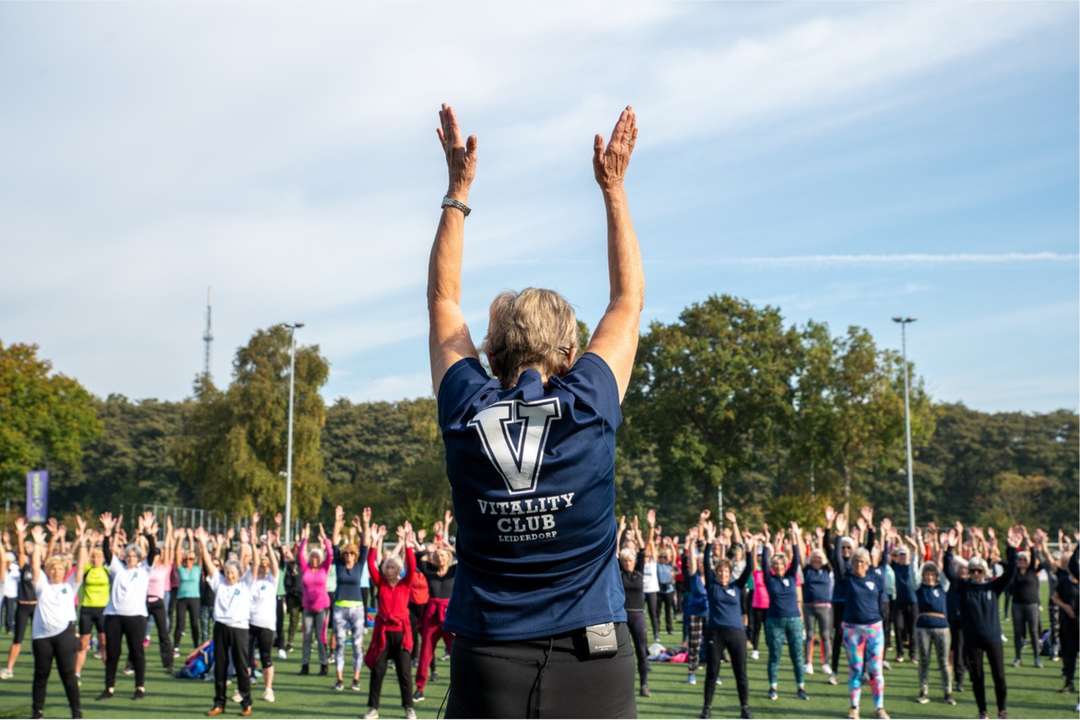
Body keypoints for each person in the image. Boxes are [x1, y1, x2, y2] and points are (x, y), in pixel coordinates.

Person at [430, 103, 643, 719]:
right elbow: (627, 301)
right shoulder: (590, 404)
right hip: (594, 660)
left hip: (489, 655)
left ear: (493, 352)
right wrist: (614, 188)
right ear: (572, 353)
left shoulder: (468, 405)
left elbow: (443, 300)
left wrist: (457, 192)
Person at [944, 524, 1018, 720]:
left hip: (993, 639)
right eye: (973, 570)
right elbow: (948, 571)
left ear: (984, 571)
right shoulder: (963, 586)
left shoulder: (993, 586)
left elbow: (1011, 573)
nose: (976, 573)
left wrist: (1011, 549)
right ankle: (982, 711)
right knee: (977, 678)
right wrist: (949, 550)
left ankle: (1002, 710)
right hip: (972, 640)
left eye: (979, 570)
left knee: (999, 677)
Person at [832, 515, 889, 720]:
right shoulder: (846, 579)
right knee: (856, 669)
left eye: (862, 561)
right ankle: (854, 707)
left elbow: (882, 557)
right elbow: (838, 559)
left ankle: (879, 708)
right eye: (855, 561)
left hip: (874, 628)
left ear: (868, 563)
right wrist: (838, 535)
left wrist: (878, 533)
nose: (858, 564)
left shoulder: (876, 576)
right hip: (852, 629)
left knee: (875, 670)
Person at [29, 521, 87, 719]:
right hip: (41, 636)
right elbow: (36, 567)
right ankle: (37, 711)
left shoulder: (70, 586)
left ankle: (76, 712)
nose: (56, 572)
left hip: (65, 635)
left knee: (68, 675)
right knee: (41, 674)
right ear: (49, 570)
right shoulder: (42, 585)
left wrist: (84, 543)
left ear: (64, 571)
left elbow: (80, 568)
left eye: (60, 569)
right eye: (53, 569)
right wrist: (37, 544)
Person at [196, 526, 253, 717]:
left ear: (238, 573)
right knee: (220, 667)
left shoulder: (245, 584)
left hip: (239, 629)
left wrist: (251, 542)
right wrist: (203, 544)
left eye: (233, 572)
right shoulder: (218, 582)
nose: (230, 575)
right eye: (227, 572)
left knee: (241, 667)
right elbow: (208, 565)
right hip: (220, 628)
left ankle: (246, 702)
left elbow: (251, 563)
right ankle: (219, 703)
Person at [363, 522, 417, 720]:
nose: (391, 569)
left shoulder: (405, 584)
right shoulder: (381, 584)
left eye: (394, 566)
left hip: (402, 635)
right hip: (383, 634)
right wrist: (375, 542)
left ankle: (409, 708)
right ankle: (373, 709)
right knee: (377, 672)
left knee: (404, 674)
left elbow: (412, 567)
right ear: (384, 569)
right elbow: (370, 564)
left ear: (399, 569)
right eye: (388, 566)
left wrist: (408, 544)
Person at [700, 520, 752, 720]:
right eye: (720, 571)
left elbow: (748, 569)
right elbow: (706, 564)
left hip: (737, 633)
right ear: (717, 573)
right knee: (712, 672)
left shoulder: (737, 586)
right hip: (716, 633)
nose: (723, 574)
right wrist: (709, 542)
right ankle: (706, 708)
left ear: (730, 574)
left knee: (741, 673)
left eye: (726, 572)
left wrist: (748, 549)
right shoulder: (712, 586)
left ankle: (745, 708)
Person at [98, 512, 150, 701]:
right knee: (113, 653)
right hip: (114, 616)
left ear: (139, 558)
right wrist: (107, 532)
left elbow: (151, 554)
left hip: (136, 616)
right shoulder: (117, 569)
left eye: (134, 555)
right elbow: (106, 551)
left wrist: (148, 533)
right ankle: (109, 688)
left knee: (136, 652)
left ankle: (140, 687)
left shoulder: (144, 570)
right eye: (128, 555)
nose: (130, 558)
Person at [760, 522, 809, 702]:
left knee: (797, 655)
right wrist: (767, 543)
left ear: (785, 565)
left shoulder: (791, 575)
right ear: (773, 566)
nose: (779, 566)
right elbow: (764, 563)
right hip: (774, 621)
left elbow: (796, 557)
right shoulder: (769, 578)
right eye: (776, 564)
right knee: (775, 655)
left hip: (794, 620)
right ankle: (773, 687)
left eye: (781, 563)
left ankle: (801, 687)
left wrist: (796, 535)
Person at [414, 512, 456, 702]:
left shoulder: (455, 572)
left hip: (450, 616)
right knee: (425, 653)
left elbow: (464, 557)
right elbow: (417, 560)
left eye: (443, 555)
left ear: (448, 557)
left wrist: (448, 546)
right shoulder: (430, 572)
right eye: (437, 556)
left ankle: (460, 686)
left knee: (456, 652)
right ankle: (420, 688)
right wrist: (427, 549)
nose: (440, 558)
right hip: (431, 615)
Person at [330, 507, 369, 693]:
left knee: (357, 644)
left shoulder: (360, 565)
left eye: (352, 553)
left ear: (356, 556)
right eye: (346, 553)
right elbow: (334, 543)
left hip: (357, 609)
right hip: (339, 608)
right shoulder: (338, 564)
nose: (349, 556)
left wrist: (364, 524)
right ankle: (339, 679)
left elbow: (365, 544)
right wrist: (337, 522)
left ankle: (355, 678)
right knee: (339, 643)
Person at [246, 516, 280, 704]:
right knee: (246, 658)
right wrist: (253, 538)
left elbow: (274, 564)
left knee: (266, 658)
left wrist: (268, 547)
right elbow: (255, 560)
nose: (264, 566)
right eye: (261, 564)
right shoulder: (251, 580)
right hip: (249, 623)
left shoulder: (271, 581)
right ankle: (243, 689)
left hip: (266, 624)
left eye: (266, 564)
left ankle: (268, 689)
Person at [617, 516, 650, 698]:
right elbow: (614, 553)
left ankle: (644, 684)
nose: (627, 563)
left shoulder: (639, 571)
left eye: (629, 560)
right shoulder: (619, 572)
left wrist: (637, 531)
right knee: (621, 652)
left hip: (637, 615)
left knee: (641, 650)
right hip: (622, 615)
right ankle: (622, 686)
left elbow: (643, 550)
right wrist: (620, 531)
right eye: (624, 561)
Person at [914, 561, 955, 706]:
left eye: (932, 574)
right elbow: (914, 572)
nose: (929, 577)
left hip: (942, 628)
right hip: (923, 628)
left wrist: (940, 557)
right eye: (927, 574)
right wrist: (917, 551)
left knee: (943, 662)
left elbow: (944, 575)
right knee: (924, 661)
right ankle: (923, 691)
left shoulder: (942, 587)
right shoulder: (919, 588)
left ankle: (948, 692)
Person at [2, 518, 37, 680]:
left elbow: (49, 551)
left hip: (37, 607)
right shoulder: (23, 566)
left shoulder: (40, 567)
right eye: (27, 546)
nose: (29, 548)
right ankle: (9, 668)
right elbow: (21, 553)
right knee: (18, 639)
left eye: (32, 546)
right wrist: (21, 535)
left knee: (42, 638)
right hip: (23, 607)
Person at [297, 524, 333, 676]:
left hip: (322, 608)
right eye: (312, 556)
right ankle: (305, 665)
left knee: (320, 636)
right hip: (307, 608)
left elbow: (330, 554)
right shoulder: (305, 568)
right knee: (306, 637)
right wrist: (305, 538)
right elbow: (300, 555)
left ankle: (324, 664)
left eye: (317, 556)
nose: (314, 559)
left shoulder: (324, 568)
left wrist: (325, 538)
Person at [74, 530, 110, 682]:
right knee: (83, 644)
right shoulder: (87, 569)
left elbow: (111, 552)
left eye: (99, 556)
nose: (96, 559)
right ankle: (76, 674)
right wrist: (85, 541)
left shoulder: (107, 570)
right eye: (94, 556)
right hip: (87, 610)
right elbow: (82, 558)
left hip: (103, 610)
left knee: (104, 644)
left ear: (103, 558)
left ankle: (109, 674)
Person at [145, 514, 176, 674]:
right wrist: (150, 532)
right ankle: (131, 663)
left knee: (163, 634)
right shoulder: (146, 567)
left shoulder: (165, 567)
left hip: (158, 603)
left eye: (158, 553)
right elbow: (148, 547)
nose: (156, 555)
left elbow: (170, 547)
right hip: (143, 602)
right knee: (137, 634)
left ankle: (168, 663)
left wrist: (170, 530)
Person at [802, 544, 835, 684]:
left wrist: (821, 542)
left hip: (825, 607)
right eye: (814, 557)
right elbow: (800, 556)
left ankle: (825, 663)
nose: (817, 560)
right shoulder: (807, 570)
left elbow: (829, 557)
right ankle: (808, 663)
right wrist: (797, 536)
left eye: (819, 558)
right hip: (809, 606)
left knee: (825, 635)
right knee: (809, 635)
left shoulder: (827, 569)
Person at [683, 518, 710, 687]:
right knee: (694, 644)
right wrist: (692, 542)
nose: (700, 564)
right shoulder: (694, 576)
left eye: (702, 562)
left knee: (712, 645)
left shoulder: (713, 576)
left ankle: (711, 673)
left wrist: (708, 534)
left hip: (711, 613)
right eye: (698, 562)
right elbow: (692, 559)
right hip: (695, 612)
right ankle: (691, 672)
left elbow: (712, 554)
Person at [1008, 539, 1043, 668]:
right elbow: (1010, 559)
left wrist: (1029, 541)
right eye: (1020, 559)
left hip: (1031, 605)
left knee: (1033, 632)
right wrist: (1012, 546)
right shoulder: (1014, 572)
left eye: (1024, 560)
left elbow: (1034, 556)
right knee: (1018, 632)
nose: (1022, 561)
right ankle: (1017, 658)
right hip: (1017, 605)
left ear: (1028, 562)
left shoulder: (1032, 571)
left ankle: (1037, 658)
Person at [1050, 543, 1077, 696]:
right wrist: (1065, 607)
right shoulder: (1064, 580)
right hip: (1067, 622)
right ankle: (1069, 683)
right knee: (1069, 654)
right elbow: (1054, 597)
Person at [174, 529, 203, 651]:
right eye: (186, 559)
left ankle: (196, 646)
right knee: (180, 624)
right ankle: (176, 646)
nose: (188, 561)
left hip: (194, 599)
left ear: (194, 560)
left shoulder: (198, 569)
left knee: (195, 624)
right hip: (181, 599)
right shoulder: (181, 568)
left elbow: (201, 554)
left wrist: (195, 540)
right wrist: (180, 539)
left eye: (191, 559)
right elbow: (177, 554)